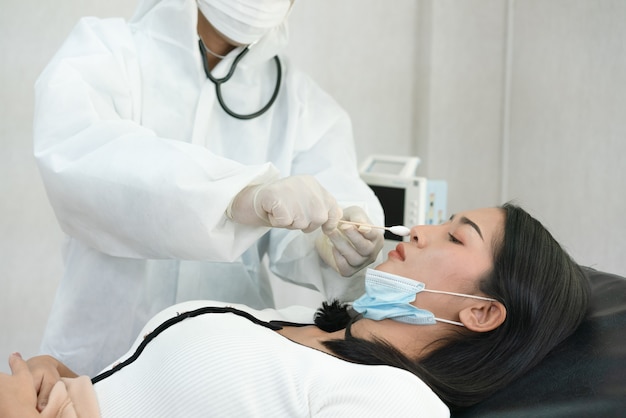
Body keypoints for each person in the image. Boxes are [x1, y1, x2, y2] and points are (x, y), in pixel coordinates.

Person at [33, 0, 385, 377]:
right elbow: (83, 161)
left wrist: (339, 243)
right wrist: (235, 196)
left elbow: (334, 195)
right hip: (96, 355)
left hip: (219, 370)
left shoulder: (303, 105)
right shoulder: (106, 50)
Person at [1, 203, 589, 416]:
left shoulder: (394, 403)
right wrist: (72, 381)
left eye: (456, 237)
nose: (421, 227)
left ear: (483, 313)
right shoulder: (302, 321)